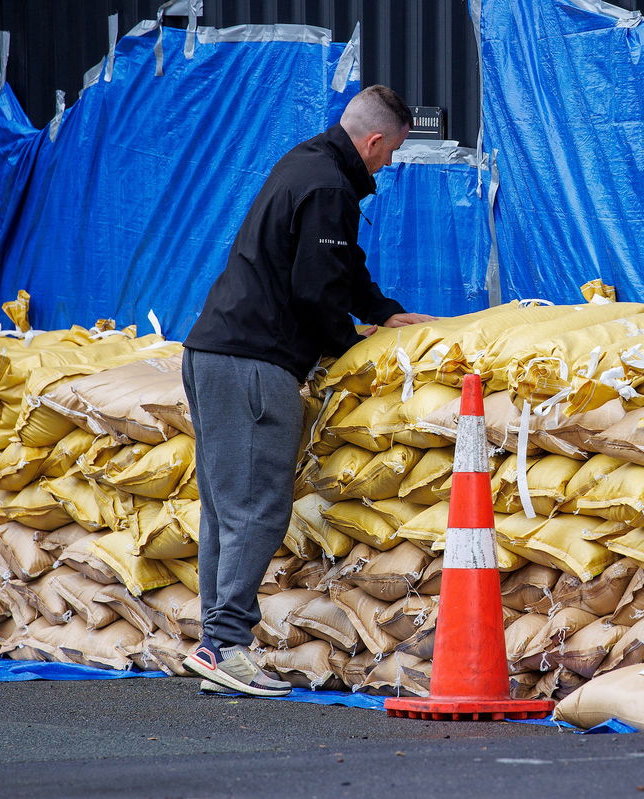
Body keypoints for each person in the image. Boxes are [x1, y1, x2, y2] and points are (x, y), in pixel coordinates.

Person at [180, 85, 433, 696]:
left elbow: (338, 268)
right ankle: (225, 646)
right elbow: (316, 289)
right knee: (256, 511)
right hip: (254, 366)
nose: (389, 164)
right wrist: (350, 352)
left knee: (223, 510)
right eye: (391, 152)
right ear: (373, 141)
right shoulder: (328, 186)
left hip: (211, 354)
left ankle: (217, 644)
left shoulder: (306, 164)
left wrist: (381, 309)